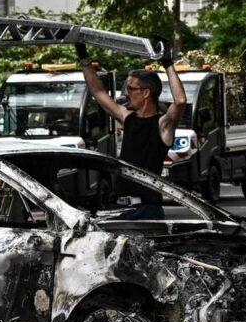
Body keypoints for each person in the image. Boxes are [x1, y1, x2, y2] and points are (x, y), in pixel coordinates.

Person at [77, 38, 186, 219]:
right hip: (120, 208)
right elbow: (98, 92)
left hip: (147, 210)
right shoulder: (127, 118)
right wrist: (84, 59)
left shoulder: (162, 126)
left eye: (130, 88)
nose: (125, 93)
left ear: (145, 93)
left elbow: (180, 101)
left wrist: (167, 63)